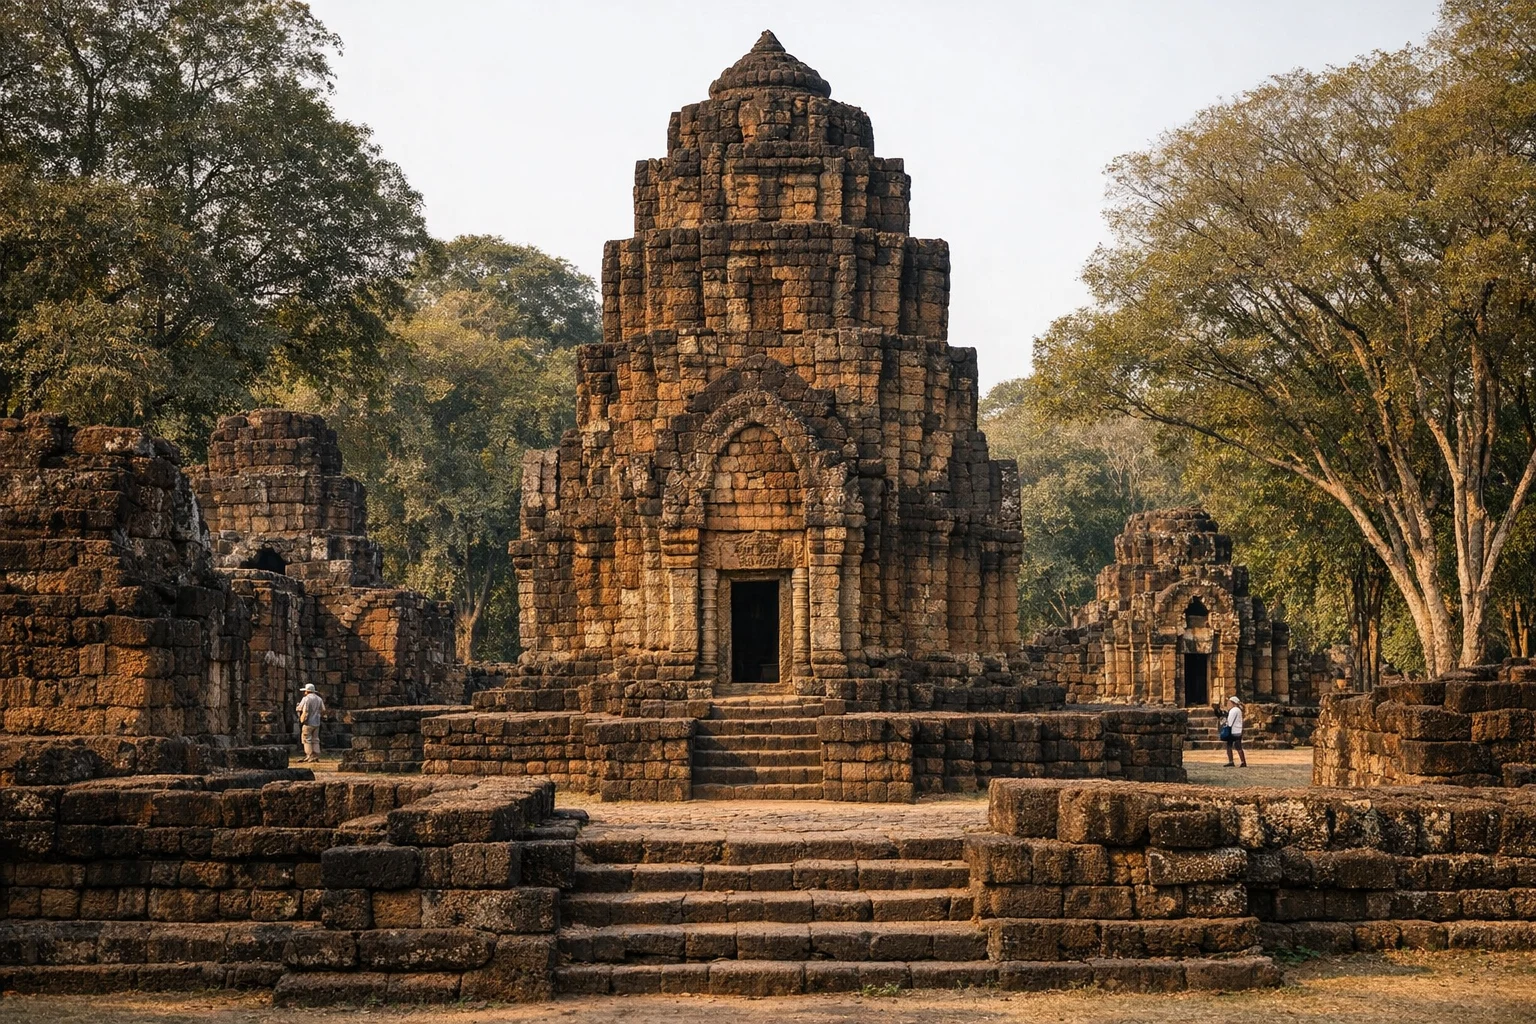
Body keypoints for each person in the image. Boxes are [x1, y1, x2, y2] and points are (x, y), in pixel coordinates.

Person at [295, 683, 325, 764]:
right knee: (315, 739)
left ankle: (310, 755)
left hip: (308, 721)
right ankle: (316, 755)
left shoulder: (306, 699)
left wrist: (297, 707)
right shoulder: (319, 699)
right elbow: (323, 709)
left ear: (307, 691)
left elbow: (300, 708)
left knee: (306, 739)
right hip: (317, 722)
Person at [1223, 695, 1247, 768]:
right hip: (1238, 730)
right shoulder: (1238, 710)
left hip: (1233, 731)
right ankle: (1243, 761)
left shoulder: (1233, 710)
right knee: (1238, 746)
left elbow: (1230, 722)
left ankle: (1231, 761)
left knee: (1230, 746)